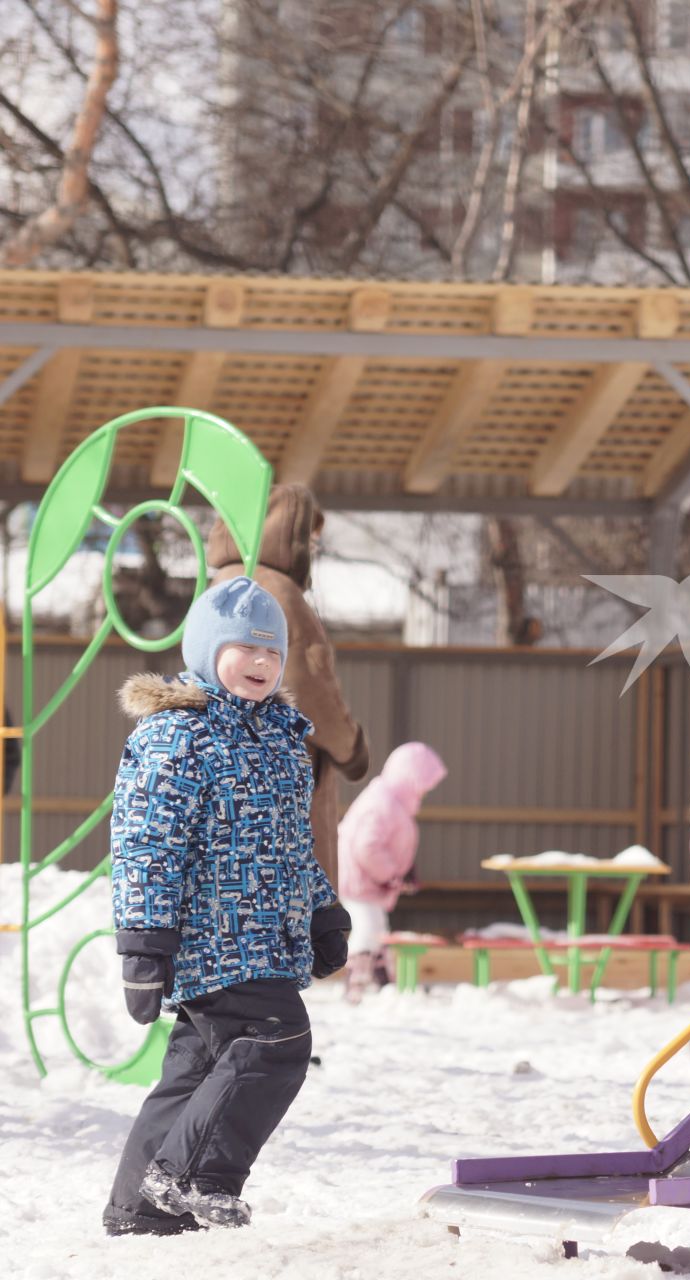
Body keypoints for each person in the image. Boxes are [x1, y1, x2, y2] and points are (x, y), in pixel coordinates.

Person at [103, 578, 351, 1236]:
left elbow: (292, 846)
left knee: (196, 1069)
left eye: (272, 654)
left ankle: (141, 1213)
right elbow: (146, 847)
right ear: (207, 650)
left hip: (263, 939)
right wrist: (142, 943)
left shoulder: (278, 742)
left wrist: (323, 911)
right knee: (276, 1039)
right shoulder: (177, 738)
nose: (262, 664)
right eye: (245, 649)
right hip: (210, 940)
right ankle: (192, 1176)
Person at [206, 484, 369, 885]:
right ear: (288, 534)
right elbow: (309, 688)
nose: (314, 547)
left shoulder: (218, 587)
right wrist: (352, 749)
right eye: (309, 537)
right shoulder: (279, 594)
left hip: (229, 764)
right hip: (288, 767)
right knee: (301, 899)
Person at [336, 742, 448, 1002]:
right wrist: (391, 875)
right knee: (367, 927)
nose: (426, 790)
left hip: (369, 880)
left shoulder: (394, 802)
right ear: (411, 778)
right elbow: (367, 846)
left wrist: (404, 869)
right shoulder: (383, 803)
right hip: (359, 879)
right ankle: (357, 980)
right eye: (424, 782)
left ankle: (380, 978)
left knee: (378, 927)